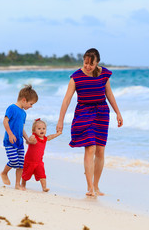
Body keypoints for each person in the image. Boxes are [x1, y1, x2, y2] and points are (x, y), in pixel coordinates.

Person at [56, 48, 123, 197]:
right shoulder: (76, 77)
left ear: (97, 63)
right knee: (90, 148)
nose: (87, 66)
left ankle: (97, 185)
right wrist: (60, 120)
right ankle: (90, 187)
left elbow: (109, 94)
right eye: (85, 63)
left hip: (102, 113)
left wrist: (118, 113)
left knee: (100, 150)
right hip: (84, 114)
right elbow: (66, 100)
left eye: (91, 64)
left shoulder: (104, 74)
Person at [0, 84, 38, 190]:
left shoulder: (23, 113)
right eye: (31, 104)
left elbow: (21, 128)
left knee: (21, 164)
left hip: (19, 142)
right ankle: (4, 173)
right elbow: (5, 121)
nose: (31, 106)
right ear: (24, 100)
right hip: (10, 141)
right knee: (13, 161)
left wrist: (27, 140)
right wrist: (10, 134)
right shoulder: (12, 108)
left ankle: (17, 184)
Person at [21, 118, 62, 192]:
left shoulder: (45, 138)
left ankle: (44, 187)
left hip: (39, 162)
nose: (42, 130)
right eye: (39, 129)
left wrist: (58, 134)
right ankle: (23, 185)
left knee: (42, 174)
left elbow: (50, 137)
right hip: (29, 160)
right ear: (34, 131)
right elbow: (28, 141)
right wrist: (30, 140)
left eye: (43, 128)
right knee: (26, 174)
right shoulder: (34, 137)